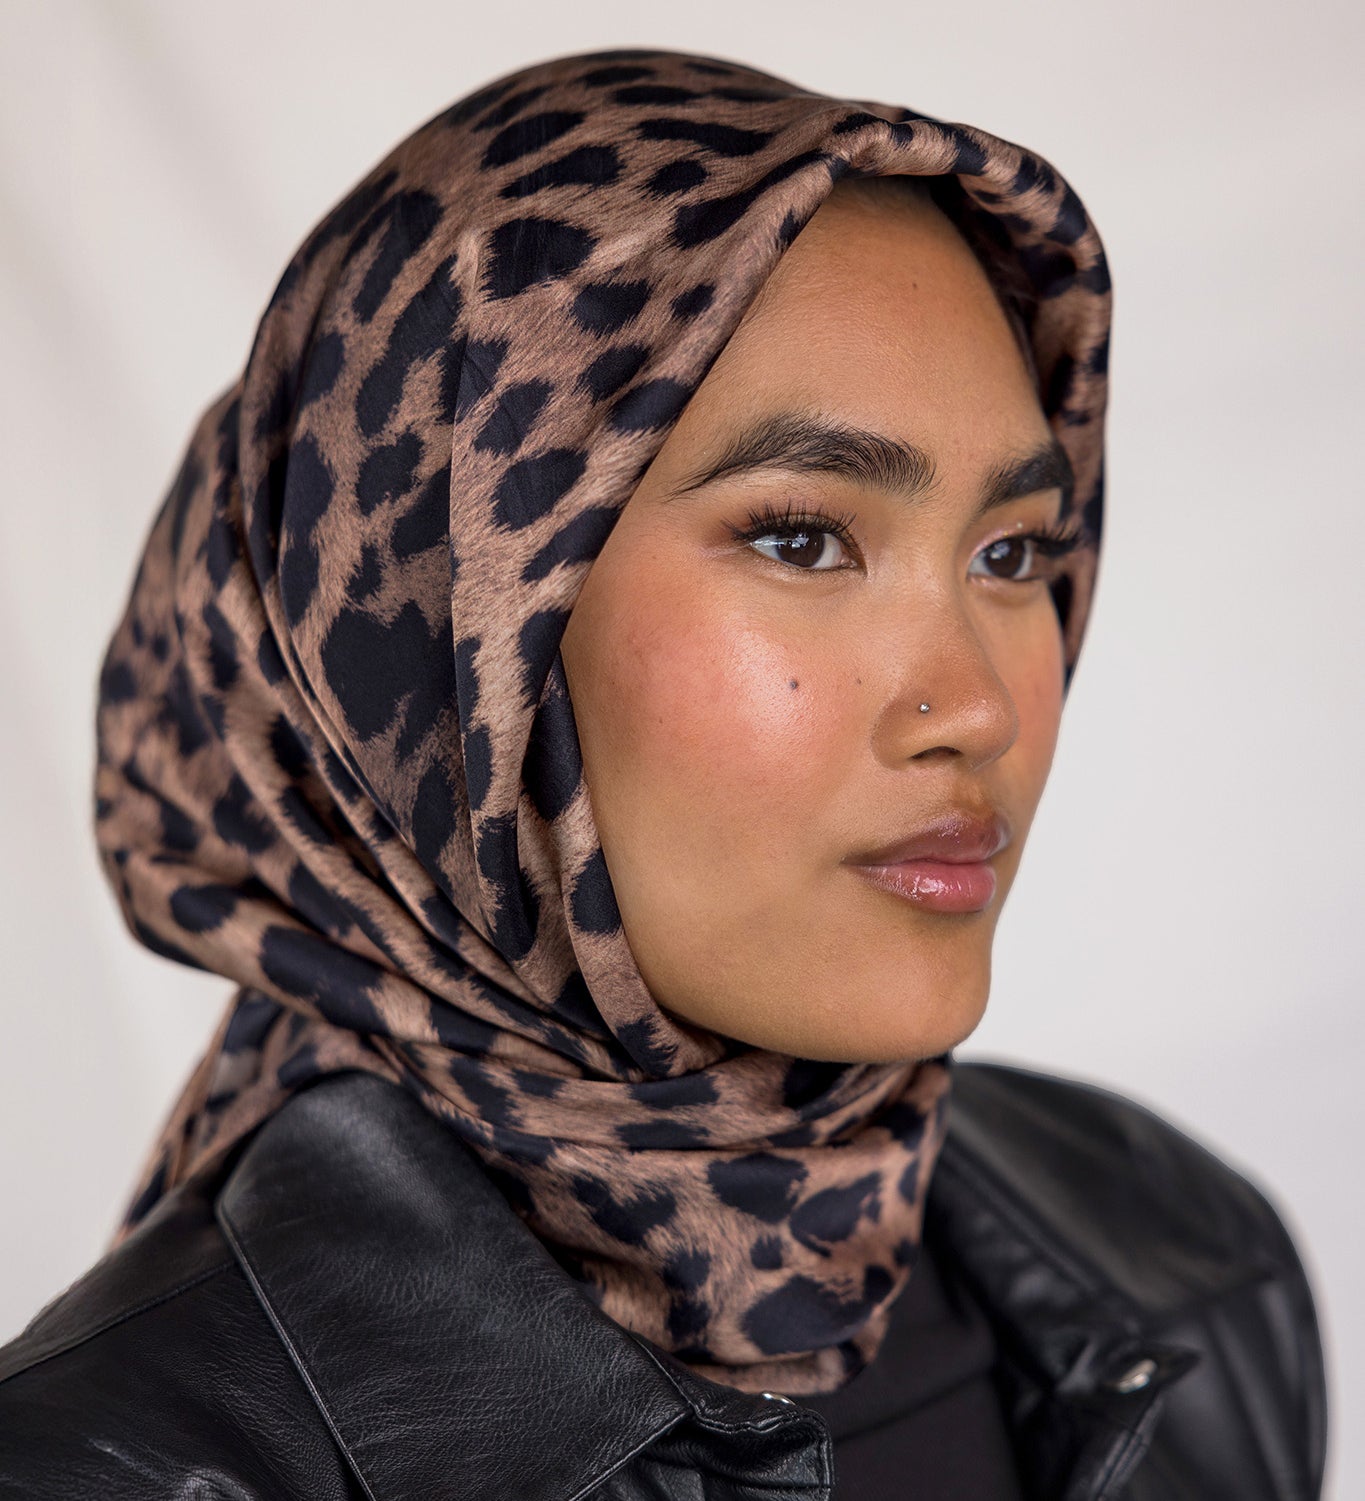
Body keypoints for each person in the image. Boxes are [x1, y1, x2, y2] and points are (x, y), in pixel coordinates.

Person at [0, 46, 1326, 1500]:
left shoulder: (1190, 1260)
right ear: (450, 647)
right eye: (802, 538)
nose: (976, 704)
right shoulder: (115, 1466)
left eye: (1009, 553)